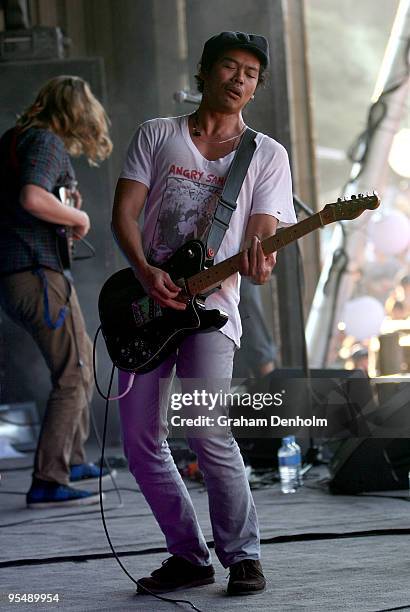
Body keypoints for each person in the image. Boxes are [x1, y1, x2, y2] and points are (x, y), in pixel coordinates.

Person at [112, 31, 296, 596]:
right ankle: (188, 555)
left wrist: (260, 265)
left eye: (250, 74)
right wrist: (147, 271)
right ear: (205, 72)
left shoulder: (266, 155)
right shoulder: (157, 133)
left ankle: (243, 556)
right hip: (145, 304)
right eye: (229, 67)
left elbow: (262, 239)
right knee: (140, 439)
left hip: (212, 313)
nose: (239, 80)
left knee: (207, 428)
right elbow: (123, 213)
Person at [0, 76, 113, 508]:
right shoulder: (46, 142)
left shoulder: (17, 139)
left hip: (18, 274)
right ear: (76, 112)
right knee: (73, 374)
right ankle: (49, 477)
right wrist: (77, 219)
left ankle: (73, 457)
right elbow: (32, 197)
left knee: (82, 356)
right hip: (38, 274)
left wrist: (62, 204)